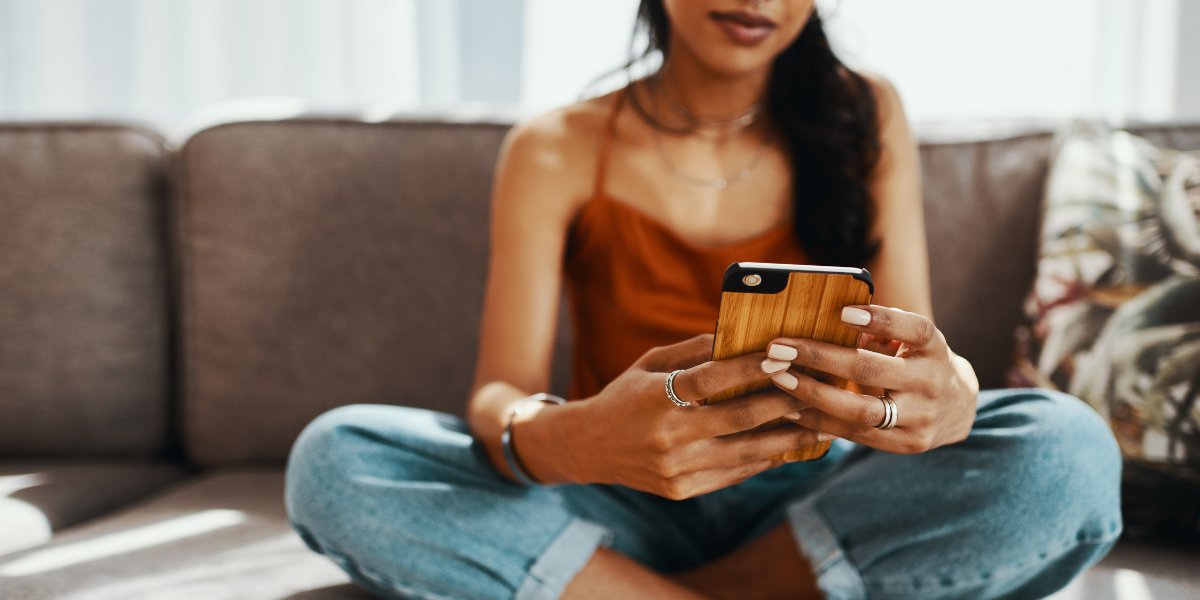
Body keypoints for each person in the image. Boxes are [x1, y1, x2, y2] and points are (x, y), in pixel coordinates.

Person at [284, 1, 1123, 599]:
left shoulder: (865, 112)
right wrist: (576, 438)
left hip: (816, 494)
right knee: (335, 459)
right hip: (619, 490)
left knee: (1070, 450)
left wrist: (956, 394)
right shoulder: (556, 150)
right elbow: (499, 395)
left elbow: (899, 362)